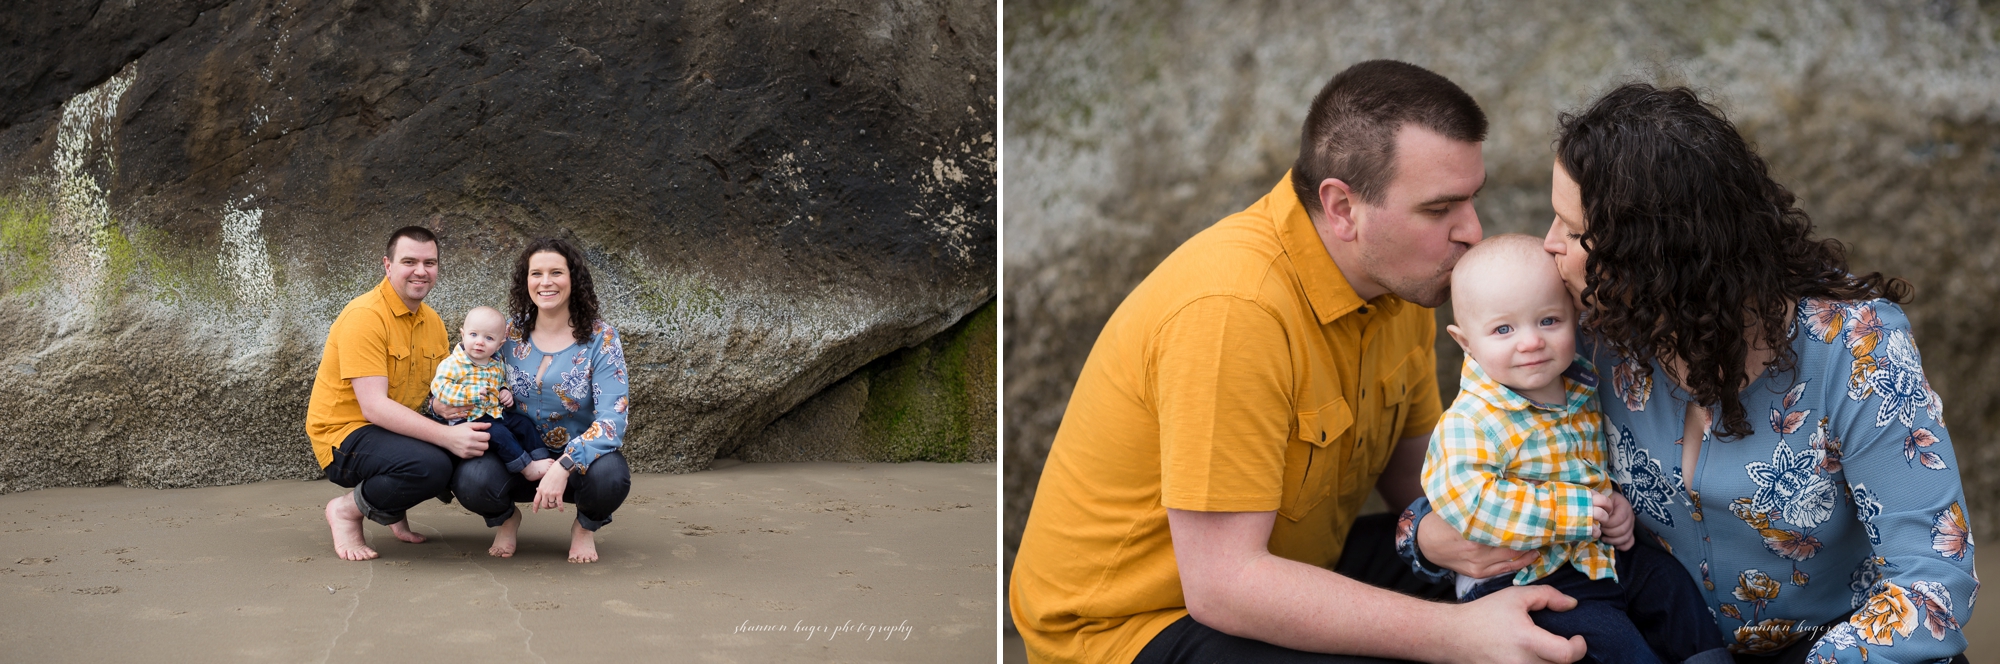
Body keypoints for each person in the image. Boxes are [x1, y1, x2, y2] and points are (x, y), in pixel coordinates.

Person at [1009, 60, 1589, 664]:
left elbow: (1423, 484)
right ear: (1342, 208)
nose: (1472, 231)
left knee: (1560, 594)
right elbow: (1225, 587)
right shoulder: (1234, 312)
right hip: (1138, 627)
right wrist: (1458, 634)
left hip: (1293, 567)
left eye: (1472, 199)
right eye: (1439, 209)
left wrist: (1436, 533)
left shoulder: (1408, 280)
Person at [1409, 83, 1975, 663]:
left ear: (1653, 255)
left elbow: (1932, 586)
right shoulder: (1581, 333)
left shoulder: (1858, 351)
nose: (1549, 244)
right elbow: (1472, 459)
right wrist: (1428, 539)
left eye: (1573, 230)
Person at [1418, 234, 1726, 664]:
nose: (1530, 342)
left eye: (1548, 321)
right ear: (1466, 341)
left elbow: (1593, 473)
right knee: (1611, 639)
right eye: (1503, 329)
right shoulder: (1472, 421)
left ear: (1573, 319)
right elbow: (1467, 500)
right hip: (1523, 577)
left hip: (1594, 556)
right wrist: (1577, 513)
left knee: (1669, 586)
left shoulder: (1579, 390)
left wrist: (1612, 507)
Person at [307, 226, 493, 561]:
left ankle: (391, 509)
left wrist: (448, 409)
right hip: (342, 434)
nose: (421, 271)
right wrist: (446, 437)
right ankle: (346, 511)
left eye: (430, 262)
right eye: (410, 261)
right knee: (431, 464)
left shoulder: (432, 322)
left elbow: (439, 390)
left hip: (386, 432)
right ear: (388, 265)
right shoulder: (365, 317)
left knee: (472, 443)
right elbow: (375, 408)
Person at [445, 237, 632, 563]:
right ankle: (506, 519)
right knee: (470, 480)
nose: (546, 282)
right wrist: (442, 405)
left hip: (576, 464)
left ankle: (585, 528)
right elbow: (458, 373)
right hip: (515, 455)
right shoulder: (504, 332)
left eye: (556, 272)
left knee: (612, 477)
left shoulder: (601, 338)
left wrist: (563, 466)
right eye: (536, 273)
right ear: (525, 280)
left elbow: (612, 421)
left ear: (573, 279)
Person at [429, 306, 547, 474]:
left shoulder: (496, 363)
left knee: (524, 424)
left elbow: (500, 382)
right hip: (469, 420)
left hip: (495, 414)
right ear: (463, 335)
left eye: (489, 338)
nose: (479, 342)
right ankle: (527, 468)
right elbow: (439, 388)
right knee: (499, 434)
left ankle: (542, 457)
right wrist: (469, 394)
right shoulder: (453, 363)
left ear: (499, 344)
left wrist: (504, 391)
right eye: (473, 335)